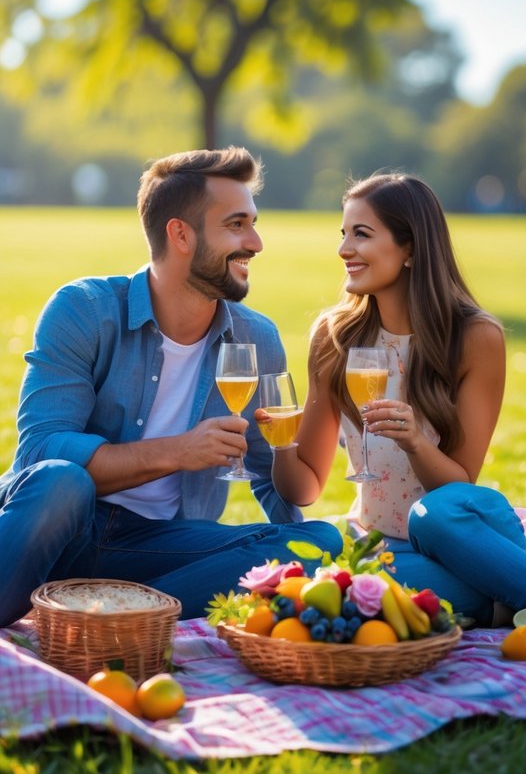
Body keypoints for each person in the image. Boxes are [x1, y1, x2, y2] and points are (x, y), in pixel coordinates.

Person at [0, 147, 342, 626]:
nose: (257, 242)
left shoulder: (256, 338)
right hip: (60, 526)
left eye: (254, 223)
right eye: (237, 224)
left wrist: (302, 562)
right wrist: (180, 451)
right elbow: (39, 452)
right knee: (63, 478)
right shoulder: (84, 309)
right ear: (180, 234)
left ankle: (115, 620)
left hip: (156, 546)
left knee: (320, 543)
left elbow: (267, 475)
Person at [265, 173, 526, 625]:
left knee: (429, 515)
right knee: (339, 580)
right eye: (343, 234)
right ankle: (495, 594)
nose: (343, 249)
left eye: (361, 234)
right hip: (383, 546)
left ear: (411, 248)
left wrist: (416, 442)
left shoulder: (475, 338)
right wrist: (278, 442)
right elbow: (304, 487)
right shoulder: (334, 338)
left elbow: (459, 484)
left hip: (467, 530)